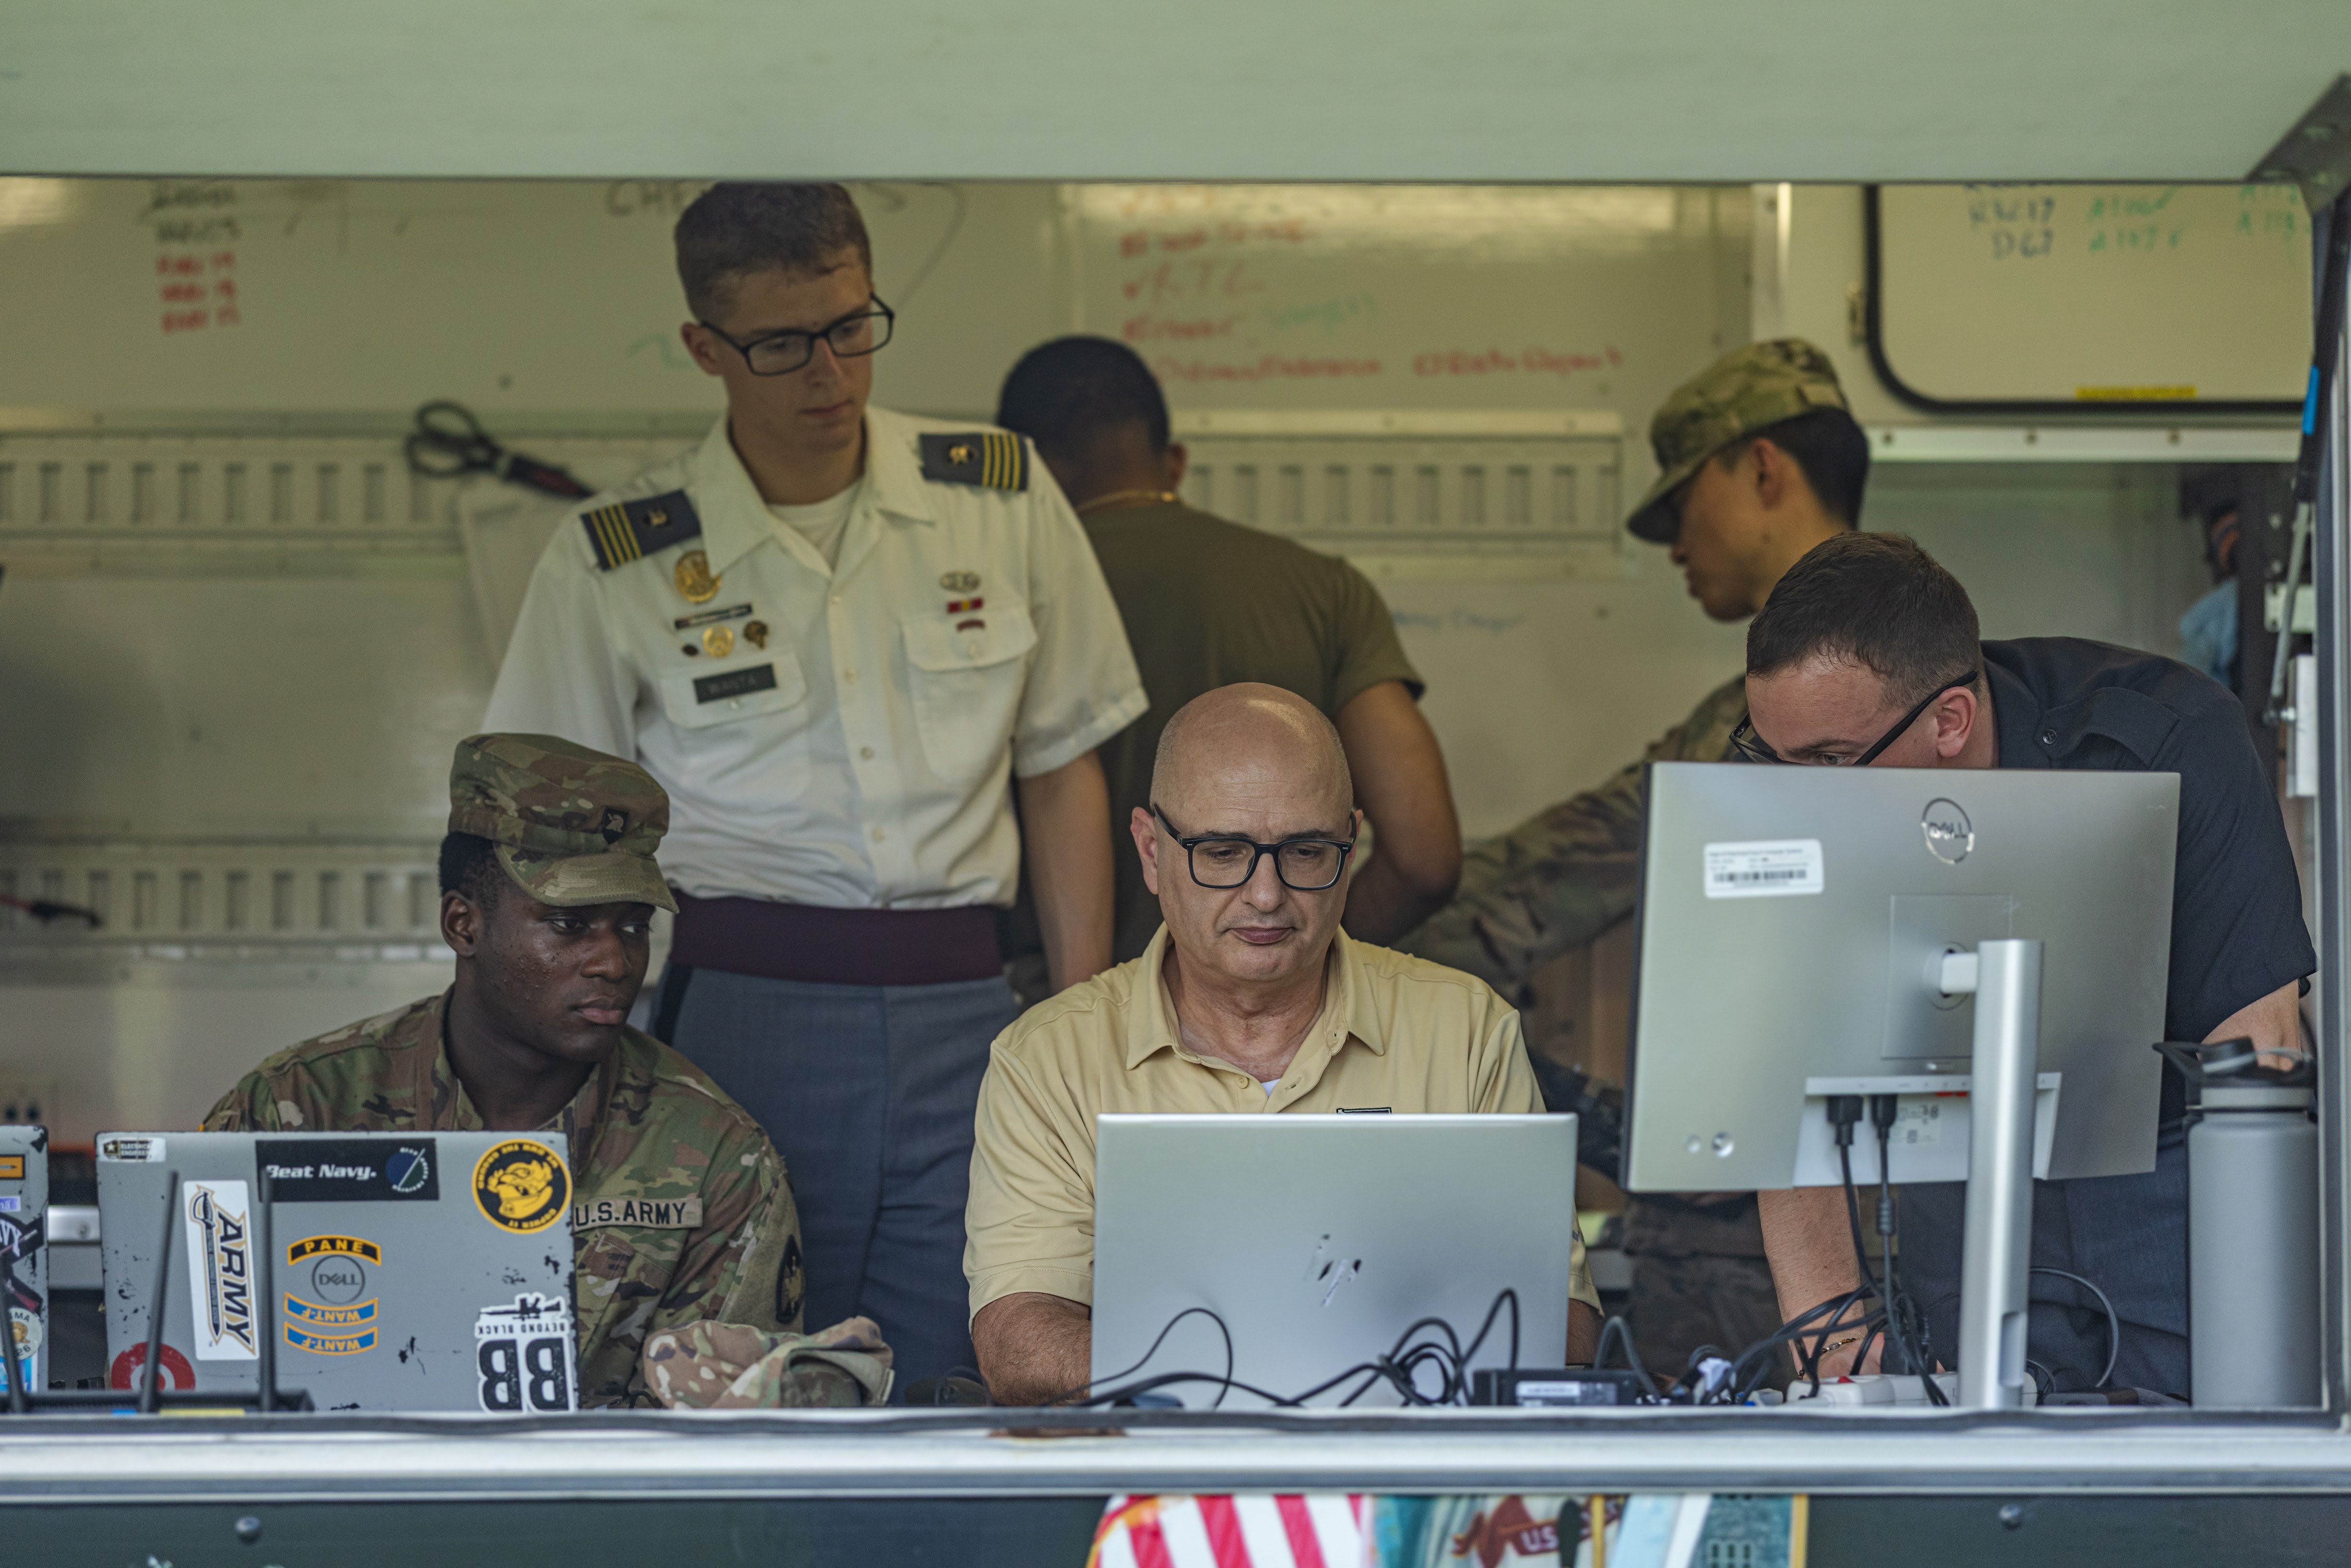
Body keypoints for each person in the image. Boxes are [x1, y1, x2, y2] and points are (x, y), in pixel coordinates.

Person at [483, 183, 1147, 1390]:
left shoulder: (995, 494)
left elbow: (1061, 767)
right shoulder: (616, 557)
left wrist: (1080, 1024)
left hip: (970, 1013)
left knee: (974, 1374)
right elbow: (541, 841)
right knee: (740, 1376)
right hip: (741, 1016)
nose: (829, 373)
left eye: (851, 326)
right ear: (703, 347)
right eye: (782, 344)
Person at [1741, 532, 2314, 1396]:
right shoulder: (1784, 771)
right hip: (1948, 1171)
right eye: (1774, 758)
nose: (1798, 794)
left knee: (2191, 1497)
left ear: (1948, 722)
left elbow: (2258, 1056)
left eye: (1827, 762)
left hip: (2170, 1184)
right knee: (1971, 1500)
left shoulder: (2163, 739)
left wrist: (2256, 1341)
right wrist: (1837, 1346)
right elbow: (1776, 1084)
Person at [1400, 339, 1866, 1381]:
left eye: (1678, 504)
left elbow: (1550, 877)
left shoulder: (1757, 723)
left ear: (1761, 468)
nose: (1671, 544)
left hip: (1763, 1249)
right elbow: (1554, 872)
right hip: (1781, 1229)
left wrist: (1389, 956)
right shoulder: (1910, 682)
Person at [964, 685, 1600, 1406]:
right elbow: (1018, 1342)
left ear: (1351, 847)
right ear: (1150, 850)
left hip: (1399, 1484)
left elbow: (1563, 1324)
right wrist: (1310, 1365)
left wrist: (1218, 1364)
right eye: (1223, 850)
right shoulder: (1048, 1060)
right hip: (1154, 1485)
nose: (1265, 893)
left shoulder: (1463, 1031)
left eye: (1304, 851)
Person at [202, 735, 872, 1408]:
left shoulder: (715, 1159)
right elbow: (200, 1380)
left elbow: (717, 1446)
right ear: (464, 925)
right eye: (570, 924)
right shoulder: (297, 1107)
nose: (614, 961)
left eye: (633, 927)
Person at [994, 336, 1461, 959]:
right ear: (1175, 462)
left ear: (1022, 478)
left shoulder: (990, 602)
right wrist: (1282, 958)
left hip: (1044, 1005)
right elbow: (1424, 857)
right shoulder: (1324, 590)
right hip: (1280, 1035)